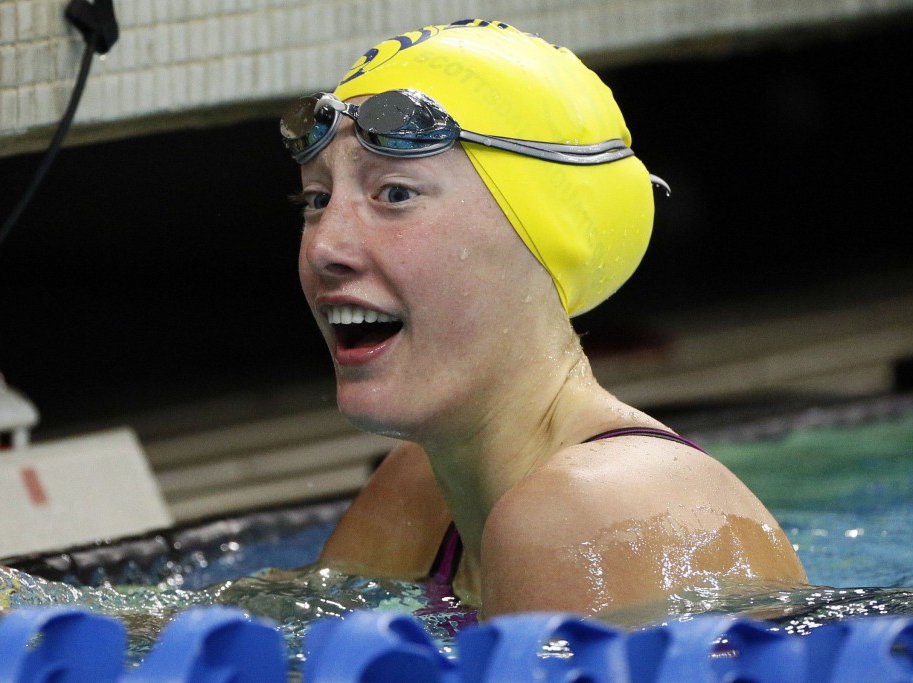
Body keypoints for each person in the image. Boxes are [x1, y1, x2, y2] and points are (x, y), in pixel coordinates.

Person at [279, 19, 808, 621]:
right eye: (316, 201)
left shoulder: (589, 508)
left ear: (542, 235)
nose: (326, 247)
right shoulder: (427, 485)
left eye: (395, 194)